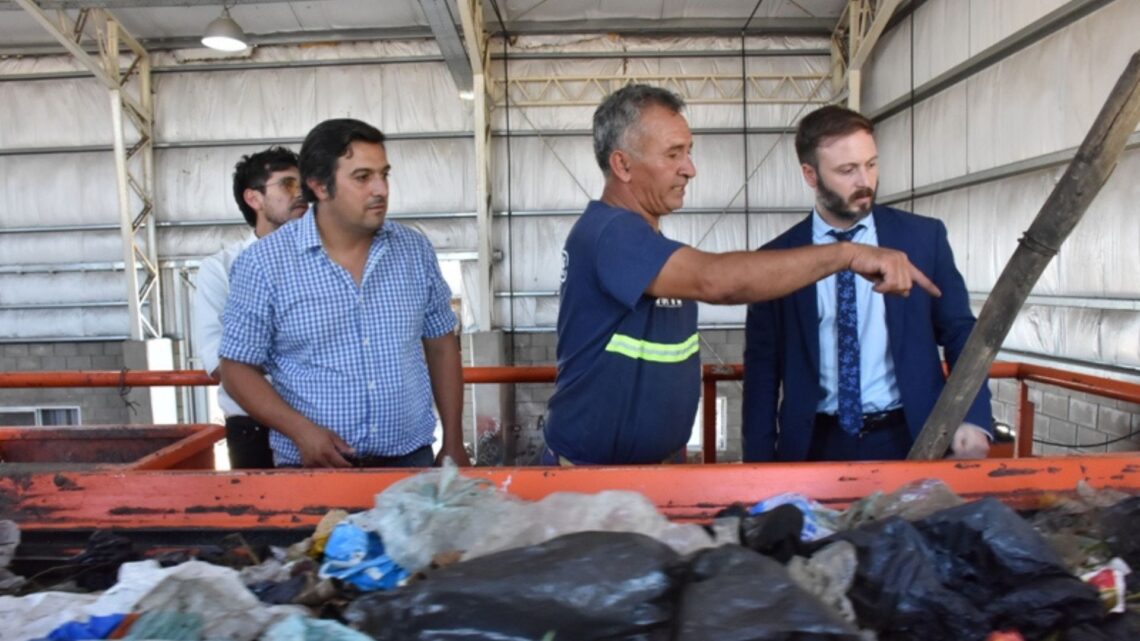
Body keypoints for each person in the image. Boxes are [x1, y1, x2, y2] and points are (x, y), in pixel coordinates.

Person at [542, 84, 940, 466]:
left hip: (650, 472)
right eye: (674, 154)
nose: (690, 169)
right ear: (623, 164)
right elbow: (715, 280)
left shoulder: (645, 239)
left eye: (689, 152)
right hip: (597, 479)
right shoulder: (611, 233)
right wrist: (847, 255)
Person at [742, 105, 992, 462]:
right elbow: (762, 372)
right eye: (847, 170)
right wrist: (757, 468)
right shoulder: (776, 259)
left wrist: (973, 417)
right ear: (810, 175)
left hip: (913, 437)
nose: (865, 182)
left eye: (871, 164)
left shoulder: (924, 238)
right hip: (814, 445)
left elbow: (961, 333)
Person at [218, 118, 470, 468]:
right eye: (363, 177)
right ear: (319, 186)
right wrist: (302, 431)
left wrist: (454, 441)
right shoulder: (264, 264)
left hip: (410, 461)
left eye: (385, 175)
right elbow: (236, 369)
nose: (381, 189)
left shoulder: (413, 250)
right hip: (313, 468)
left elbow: (441, 345)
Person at [192, 146, 307, 469]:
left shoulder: (325, 264)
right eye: (286, 185)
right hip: (253, 428)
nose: (300, 195)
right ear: (253, 198)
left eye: (303, 185)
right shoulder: (220, 269)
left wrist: (257, 359)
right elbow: (219, 363)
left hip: (324, 419)